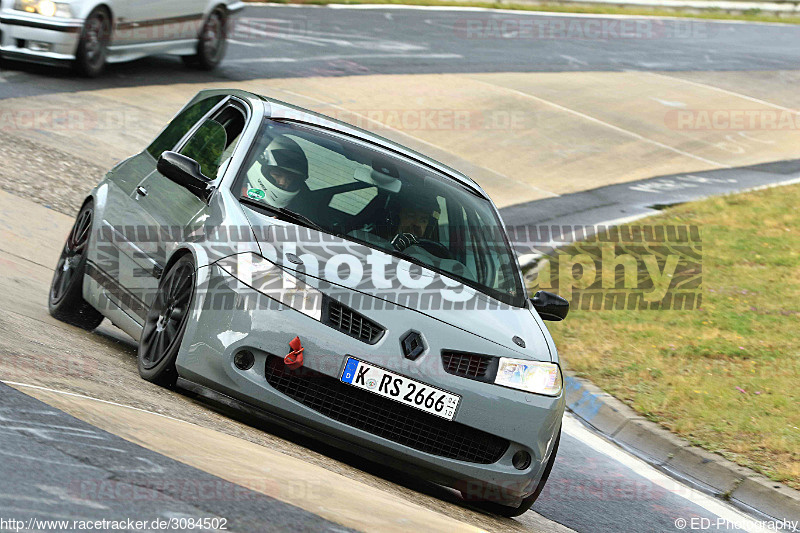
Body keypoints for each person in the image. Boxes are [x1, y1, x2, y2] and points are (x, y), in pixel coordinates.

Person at [243, 135, 309, 208]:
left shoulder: (294, 210)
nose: (282, 183)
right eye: (277, 174)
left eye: (289, 179)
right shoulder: (235, 190)